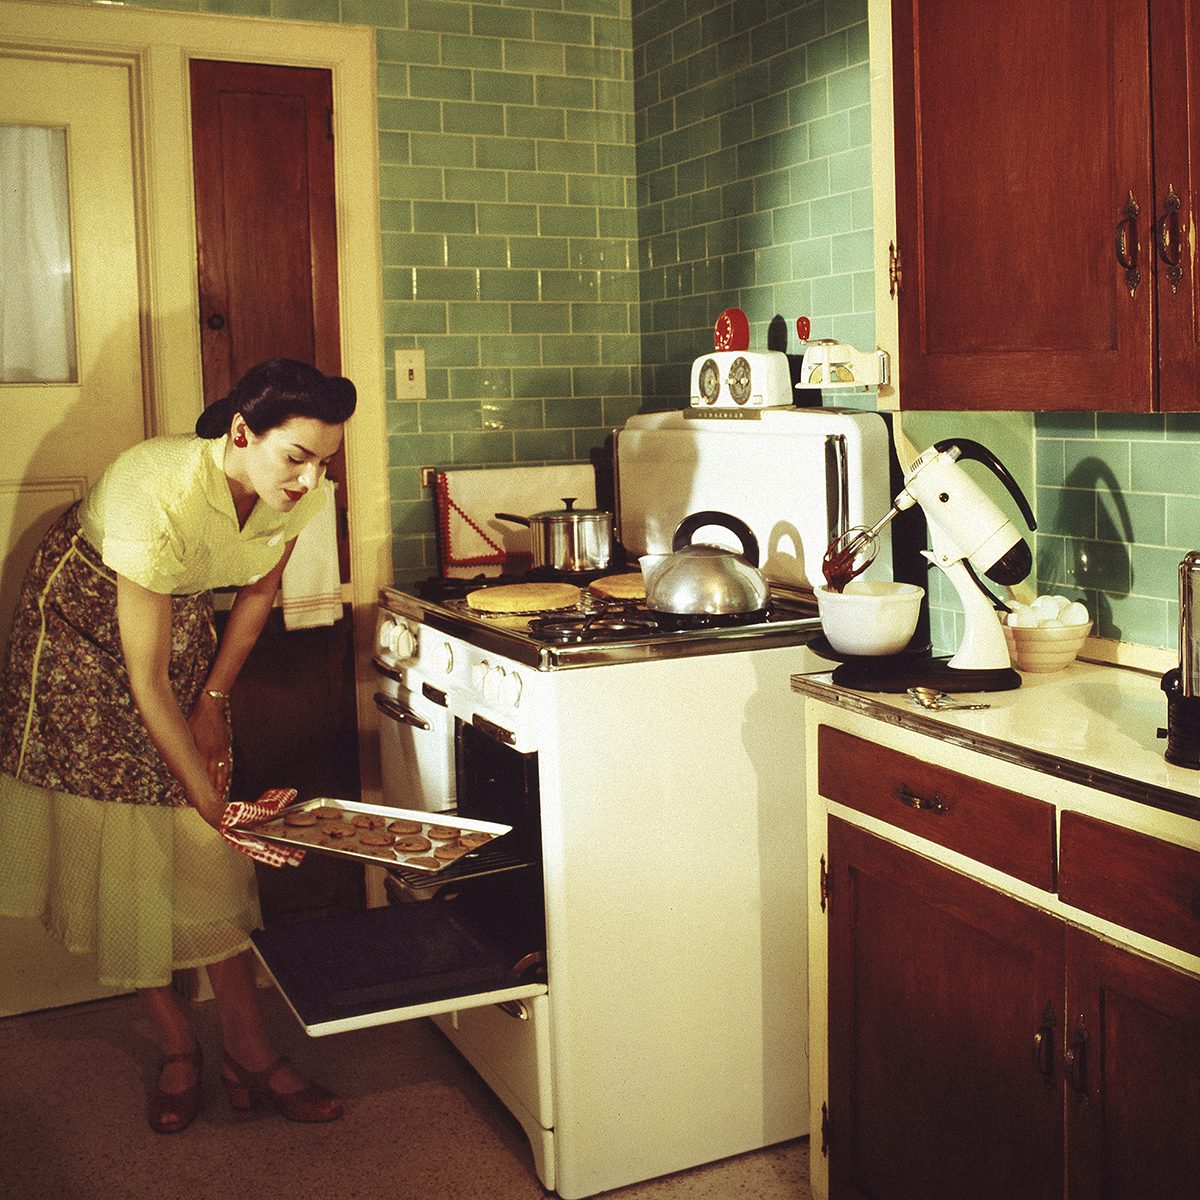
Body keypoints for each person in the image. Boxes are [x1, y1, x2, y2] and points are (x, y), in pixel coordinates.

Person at [0, 357, 356, 1132]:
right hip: (79, 638)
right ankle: (177, 1044)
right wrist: (213, 806)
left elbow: (258, 590)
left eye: (324, 462)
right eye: (297, 457)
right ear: (241, 433)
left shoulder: (301, 491)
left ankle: (247, 1050)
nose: (309, 481)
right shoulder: (153, 490)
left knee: (203, 855)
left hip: (172, 616)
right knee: (126, 840)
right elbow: (146, 678)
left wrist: (216, 703)